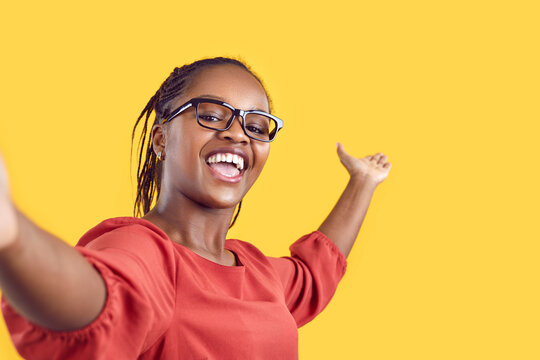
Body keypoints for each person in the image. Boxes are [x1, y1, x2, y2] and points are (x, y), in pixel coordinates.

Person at [0, 57, 392, 359]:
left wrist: (362, 183)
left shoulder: (256, 271)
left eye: (256, 126)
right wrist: (11, 236)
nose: (238, 133)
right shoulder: (145, 252)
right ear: (160, 139)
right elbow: (98, 298)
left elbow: (313, 273)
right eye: (211, 115)